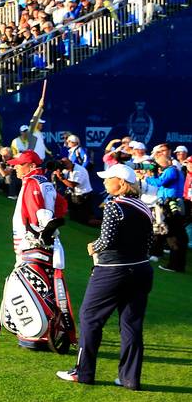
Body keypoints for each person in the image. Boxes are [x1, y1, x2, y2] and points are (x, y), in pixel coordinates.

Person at [57, 164, 153, 389]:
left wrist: (94, 246)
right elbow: (149, 243)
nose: (104, 182)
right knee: (131, 325)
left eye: (108, 179)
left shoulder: (113, 206)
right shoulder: (144, 207)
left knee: (90, 317)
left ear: (120, 183)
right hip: (141, 270)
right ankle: (129, 378)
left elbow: (107, 240)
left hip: (112, 271)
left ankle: (83, 372)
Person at [8, 150, 72, 350]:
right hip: (45, 244)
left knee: (34, 287)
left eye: (19, 164)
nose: (15, 167)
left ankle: (36, 336)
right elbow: (61, 207)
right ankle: (44, 331)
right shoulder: (46, 182)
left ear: (30, 166)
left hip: (32, 244)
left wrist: (37, 233)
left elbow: (37, 216)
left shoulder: (32, 183)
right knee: (45, 288)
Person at [145, 143, 187, 272]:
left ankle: (175, 265)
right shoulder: (171, 170)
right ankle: (174, 263)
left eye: (158, 165)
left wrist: (147, 178)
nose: (156, 167)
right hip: (169, 204)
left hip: (172, 205)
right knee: (171, 233)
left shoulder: (171, 171)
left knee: (174, 235)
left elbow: (160, 182)